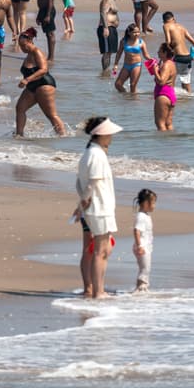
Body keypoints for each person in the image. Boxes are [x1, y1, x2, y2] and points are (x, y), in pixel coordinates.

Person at [75, 116, 121, 299]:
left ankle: (95, 289)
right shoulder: (96, 154)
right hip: (100, 207)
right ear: (102, 134)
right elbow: (91, 183)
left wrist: (82, 203)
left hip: (97, 207)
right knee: (100, 251)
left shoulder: (90, 153)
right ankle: (98, 291)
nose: (111, 137)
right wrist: (84, 201)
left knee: (100, 250)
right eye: (109, 133)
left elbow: (79, 183)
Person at [14, 27, 66, 137]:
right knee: (20, 108)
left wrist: (27, 79)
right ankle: (19, 135)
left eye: (24, 45)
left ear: (30, 41)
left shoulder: (36, 52)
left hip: (44, 85)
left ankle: (63, 136)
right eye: (20, 45)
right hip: (32, 87)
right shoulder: (28, 55)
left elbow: (44, 69)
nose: (22, 48)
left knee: (51, 115)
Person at [112, 23, 149, 94]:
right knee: (118, 84)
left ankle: (133, 101)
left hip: (136, 65)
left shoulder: (141, 42)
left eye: (138, 32)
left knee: (133, 85)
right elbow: (119, 53)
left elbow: (146, 55)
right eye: (134, 32)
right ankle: (126, 95)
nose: (137, 34)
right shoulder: (123, 41)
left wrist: (153, 60)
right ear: (129, 33)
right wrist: (116, 65)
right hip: (126, 66)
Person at [146, 45, 176, 131]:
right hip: (170, 94)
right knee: (168, 123)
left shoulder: (166, 65)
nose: (157, 52)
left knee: (160, 123)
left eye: (159, 51)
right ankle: (171, 142)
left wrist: (155, 71)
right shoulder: (171, 63)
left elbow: (162, 81)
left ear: (165, 53)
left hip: (163, 95)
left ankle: (162, 143)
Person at [132, 188, 156, 293]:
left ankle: (141, 288)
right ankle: (141, 288)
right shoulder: (141, 216)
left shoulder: (145, 215)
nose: (154, 205)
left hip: (145, 246)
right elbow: (136, 231)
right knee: (145, 268)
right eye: (153, 202)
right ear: (146, 203)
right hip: (141, 246)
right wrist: (139, 246)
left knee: (145, 267)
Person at [97, 0, 125, 73]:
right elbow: (103, 12)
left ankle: (106, 72)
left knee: (110, 52)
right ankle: (104, 71)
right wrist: (105, 28)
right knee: (106, 52)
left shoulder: (113, 0)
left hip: (111, 28)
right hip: (106, 28)